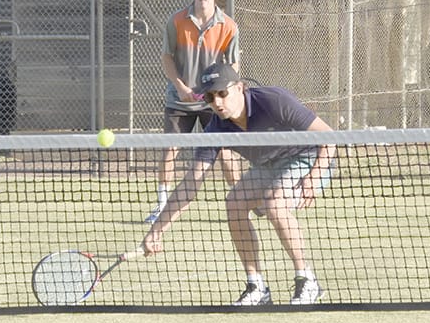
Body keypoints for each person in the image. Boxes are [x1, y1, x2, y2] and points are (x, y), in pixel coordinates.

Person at [142, 62, 335, 306]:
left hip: (307, 158)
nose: (217, 102)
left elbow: (329, 137)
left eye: (222, 93)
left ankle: (307, 280)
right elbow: (191, 184)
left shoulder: (274, 101)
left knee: (275, 203)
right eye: (210, 97)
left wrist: (314, 177)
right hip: (268, 166)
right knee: (234, 202)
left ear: (240, 88)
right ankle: (257, 287)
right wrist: (157, 230)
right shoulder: (216, 129)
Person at [145, 0, 240, 223]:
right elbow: (166, 58)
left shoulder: (229, 26)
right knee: (170, 149)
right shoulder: (175, 21)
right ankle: (162, 206)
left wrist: (218, 94)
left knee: (226, 152)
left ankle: (243, 203)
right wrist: (181, 88)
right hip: (179, 100)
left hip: (212, 103)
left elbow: (232, 66)